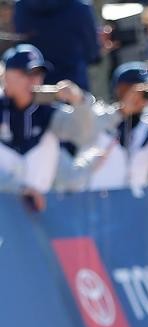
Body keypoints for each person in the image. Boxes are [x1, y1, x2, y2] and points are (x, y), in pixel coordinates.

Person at [71, 62, 148, 194]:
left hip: (132, 204)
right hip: (93, 201)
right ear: (119, 89)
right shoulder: (99, 116)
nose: (142, 95)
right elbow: (86, 134)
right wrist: (121, 111)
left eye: (146, 90)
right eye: (137, 89)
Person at [0, 43, 93, 210]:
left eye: (38, 74)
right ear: (6, 76)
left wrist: (79, 101)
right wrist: (19, 189)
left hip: (39, 212)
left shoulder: (49, 111)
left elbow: (83, 134)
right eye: (26, 73)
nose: (34, 81)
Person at [13, 0, 99, 91]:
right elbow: (92, 52)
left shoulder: (21, 6)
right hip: (73, 82)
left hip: (33, 81)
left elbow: (20, 42)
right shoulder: (81, 7)